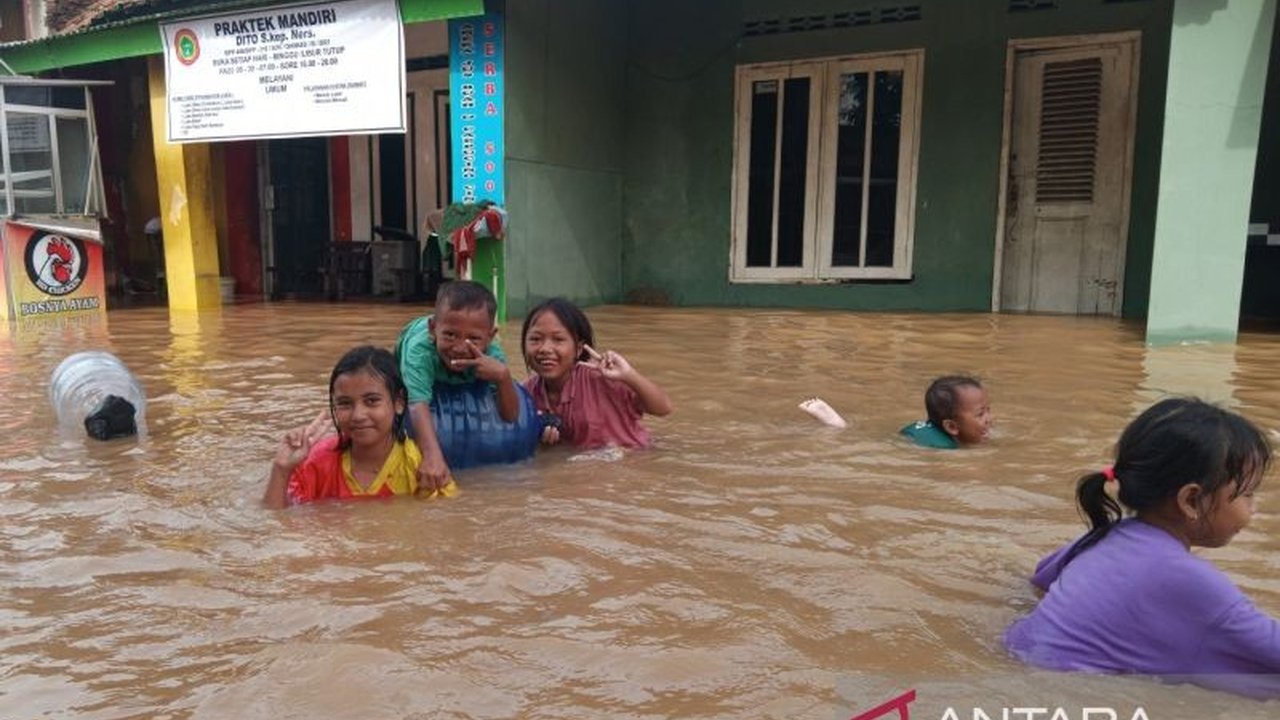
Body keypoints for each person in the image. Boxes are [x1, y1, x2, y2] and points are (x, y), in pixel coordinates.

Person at [1005, 398, 1280, 697]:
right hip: (1065, 695)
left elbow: (1039, 582)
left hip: (1015, 663)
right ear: (1191, 501)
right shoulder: (1187, 577)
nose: (1254, 509)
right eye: (1247, 494)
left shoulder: (1106, 535)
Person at [263, 346, 456, 508]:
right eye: (345, 403)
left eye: (371, 401)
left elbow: (451, 518)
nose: (358, 415)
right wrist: (281, 469)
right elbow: (276, 521)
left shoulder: (420, 467)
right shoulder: (317, 462)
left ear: (399, 402)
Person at [395, 280, 521, 490]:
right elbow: (416, 404)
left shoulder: (493, 355)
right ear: (433, 328)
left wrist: (504, 377)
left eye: (473, 338)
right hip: (415, 350)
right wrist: (432, 456)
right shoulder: (419, 352)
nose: (460, 347)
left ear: (490, 337)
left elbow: (510, 417)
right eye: (450, 335)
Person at [521, 297, 672, 449]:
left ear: (579, 349)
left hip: (634, 460)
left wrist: (629, 375)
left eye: (558, 339)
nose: (545, 349)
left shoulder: (604, 378)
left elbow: (663, 408)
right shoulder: (525, 395)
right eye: (535, 339)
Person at [899, 375, 992, 449]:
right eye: (980, 414)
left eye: (988, 410)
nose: (989, 419)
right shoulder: (940, 450)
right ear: (952, 427)